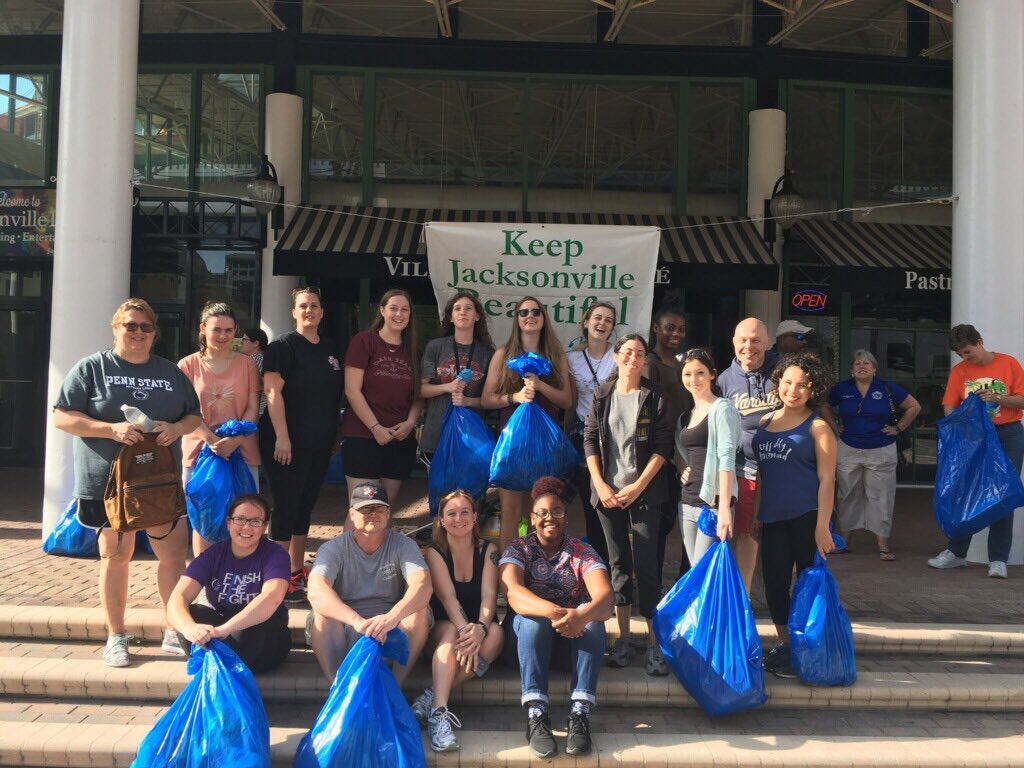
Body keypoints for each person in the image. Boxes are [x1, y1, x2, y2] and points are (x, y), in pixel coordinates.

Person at [53, 298, 202, 667]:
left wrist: (176, 428)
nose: (138, 333)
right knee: (116, 556)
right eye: (130, 325)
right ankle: (116, 635)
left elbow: (193, 416)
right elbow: (62, 417)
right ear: (116, 328)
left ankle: (173, 628)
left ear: (155, 332)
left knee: (172, 555)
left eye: (145, 327)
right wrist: (110, 429)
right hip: (108, 484)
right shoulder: (93, 368)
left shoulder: (170, 372)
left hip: (159, 482)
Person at [499, 477, 614, 759]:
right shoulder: (518, 549)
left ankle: (580, 713)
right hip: (524, 645)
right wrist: (555, 612)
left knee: (594, 623)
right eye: (543, 513)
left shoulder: (581, 551)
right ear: (532, 518)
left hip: (567, 643)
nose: (551, 517)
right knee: (531, 621)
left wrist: (582, 614)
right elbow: (513, 593)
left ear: (566, 516)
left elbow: (606, 599)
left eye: (558, 511)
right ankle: (536, 714)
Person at [583, 334, 674, 676]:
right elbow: (590, 439)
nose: (633, 358)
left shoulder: (656, 396)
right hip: (607, 493)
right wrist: (600, 484)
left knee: (648, 566)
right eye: (627, 353)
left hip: (645, 492)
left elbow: (663, 448)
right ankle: (623, 639)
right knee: (618, 564)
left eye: (639, 354)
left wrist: (638, 486)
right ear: (617, 357)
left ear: (645, 360)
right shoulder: (602, 394)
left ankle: (654, 644)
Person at [753, 353, 837, 679]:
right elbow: (761, 474)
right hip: (772, 518)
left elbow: (828, 480)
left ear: (813, 390)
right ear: (778, 383)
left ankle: (808, 649)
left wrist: (822, 526)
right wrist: (756, 514)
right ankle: (787, 646)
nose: (793, 389)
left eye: (802, 385)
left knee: (806, 589)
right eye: (788, 382)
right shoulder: (765, 422)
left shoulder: (818, 428)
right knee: (774, 586)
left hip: (806, 518)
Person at [259, 286, 344, 604]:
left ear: (322, 312)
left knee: (305, 505)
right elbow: (272, 393)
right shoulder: (283, 346)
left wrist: (333, 435)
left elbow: (332, 398)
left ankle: (295, 572)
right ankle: (277, 578)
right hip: (285, 442)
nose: (309, 310)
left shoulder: (331, 348)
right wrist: (282, 436)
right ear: (294, 311)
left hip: (318, 442)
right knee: (286, 505)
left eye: (315, 306)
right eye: (303, 306)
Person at [306, 482, 432, 684]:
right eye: (365, 508)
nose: (373, 513)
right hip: (346, 629)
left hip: (391, 630)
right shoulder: (333, 548)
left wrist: (391, 618)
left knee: (420, 611)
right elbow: (316, 590)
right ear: (352, 514)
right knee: (322, 613)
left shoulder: (404, 545)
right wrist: (356, 621)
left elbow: (423, 586)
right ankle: (339, 691)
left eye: (379, 508)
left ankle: (394, 689)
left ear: (388, 513)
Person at [409, 490, 504, 753]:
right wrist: (467, 634)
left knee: (496, 634)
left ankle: (431, 696)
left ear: (475, 517)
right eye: (451, 513)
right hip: (444, 632)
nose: (458, 518)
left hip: (477, 634)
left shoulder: (489, 550)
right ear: (441, 519)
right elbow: (448, 599)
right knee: (451, 629)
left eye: (464, 512)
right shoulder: (435, 553)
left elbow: (488, 597)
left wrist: (481, 630)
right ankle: (440, 713)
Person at [928, 324, 1024, 579]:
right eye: (961, 354)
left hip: (1007, 434)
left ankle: (998, 559)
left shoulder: (1009, 364)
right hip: (974, 437)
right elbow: (949, 406)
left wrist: (997, 398)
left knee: (1003, 494)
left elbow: (1022, 400)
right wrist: (962, 425)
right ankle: (957, 552)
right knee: (966, 490)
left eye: (968, 352)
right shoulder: (959, 372)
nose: (965, 358)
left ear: (980, 342)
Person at [481, 296, 574, 551]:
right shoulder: (503, 354)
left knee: (544, 511)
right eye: (523, 312)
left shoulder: (556, 355)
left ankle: (541, 570)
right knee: (510, 512)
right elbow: (487, 399)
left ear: (544, 318)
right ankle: (508, 575)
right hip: (512, 443)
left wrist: (540, 385)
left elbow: (566, 400)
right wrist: (516, 396)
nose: (529, 316)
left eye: (535, 312)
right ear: (517, 319)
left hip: (545, 445)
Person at [166, 494, 291, 672]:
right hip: (225, 630)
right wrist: (189, 628)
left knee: (249, 630)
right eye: (240, 519)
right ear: (228, 523)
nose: (247, 527)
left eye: (255, 521)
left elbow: (272, 597)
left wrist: (224, 630)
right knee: (194, 613)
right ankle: (219, 668)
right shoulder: (214, 554)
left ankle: (217, 669)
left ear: (264, 527)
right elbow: (178, 597)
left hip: (265, 637)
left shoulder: (275, 554)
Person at [178, 302, 261, 555]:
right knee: (203, 521)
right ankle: (204, 582)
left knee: (245, 519)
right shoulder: (187, 366)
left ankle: (239, 580)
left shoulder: (247, 365)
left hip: (242, 452)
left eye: (229, 330)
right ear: (203, 329)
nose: (223, 336)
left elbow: (252, 407)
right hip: (199, 452)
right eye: (217, 329)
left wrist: (234, 440)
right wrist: (213, 440)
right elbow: (184, 410)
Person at [823, 349, 921, 561]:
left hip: (881, 448)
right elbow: (824, 405)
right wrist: (833, 426)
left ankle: (883, 544)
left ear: (875, 369)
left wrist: (899, 428)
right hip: (848, 447)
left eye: (867, 363)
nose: (862, 366)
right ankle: (845, 540)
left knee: (882, 496)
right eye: (858, 363)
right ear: (852, 369)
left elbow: (914, 406)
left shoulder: (887, 387)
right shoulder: (842, 388)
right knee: (848, 494)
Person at [340, 289, 423, 505]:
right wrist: (375, 428)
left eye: (405, 309)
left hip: (399, 440)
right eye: (393, 308)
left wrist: (411, 423)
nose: (399, 314)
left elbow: (419, 395)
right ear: (382, 311)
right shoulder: (364, 341)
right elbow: (352, 390)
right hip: (363, 437)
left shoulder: (414, 350)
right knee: (362, 509)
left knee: (385, 509)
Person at [716, 317, 780, 590]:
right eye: (742, 340)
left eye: (755, 340)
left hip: (780, 470)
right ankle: (742, 596)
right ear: (733, 342)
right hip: (744, 471)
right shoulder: (722, 381)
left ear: (766, 342)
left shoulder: (782, 374)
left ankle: (779, 597)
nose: (748, 346)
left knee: (778, 536)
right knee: (746, 533)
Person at [674, 347, 740, 568]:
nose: (694, 379)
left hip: (711, 503)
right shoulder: (686, 415)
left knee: (705, 574)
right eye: (688, 374)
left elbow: (727, 457)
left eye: (700, 372)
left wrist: (723, 509)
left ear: (712, 374)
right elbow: (681, 450)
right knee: (695, 574)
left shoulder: (722, 409)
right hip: (687, 502)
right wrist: (681, 465)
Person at [566, 301, 618, 564]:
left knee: (609, 501)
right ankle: (595, 560)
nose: (602, 323)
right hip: (582, 437)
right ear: (585, 322)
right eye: (597, 318)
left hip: (612, 436)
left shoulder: (619, 355)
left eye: (608, 320)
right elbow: (569, 400)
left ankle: (611, 561)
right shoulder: (571, 358)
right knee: (590, 502)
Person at [643, 306, 690, 581]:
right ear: (656, 329)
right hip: (662, 456)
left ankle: (685, 585)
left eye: (681, 329)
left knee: (686, 522)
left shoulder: (684, 366)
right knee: (659, 527)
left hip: (687, 451)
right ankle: (652, 588)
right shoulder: (650, 363)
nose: (676, 334)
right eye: (670, 327)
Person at [419, 292, 495, 461]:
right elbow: (421, 389)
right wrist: (448, 387)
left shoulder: (488, 354)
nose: (463, 312)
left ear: (477, 317)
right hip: (436, 437)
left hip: (471, 439)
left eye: (468, 308)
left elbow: (490, 400)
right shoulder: (435, 347)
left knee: (467, 488)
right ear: (451, 318)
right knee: (438, 488)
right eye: (457, 308)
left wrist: (468, 401)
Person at [240, 327, 269, 418]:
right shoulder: (256, 358)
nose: (241, 342)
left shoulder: (256, 360)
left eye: (244, 339)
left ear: (256, 343)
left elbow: (265, 386)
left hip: (257, 411)